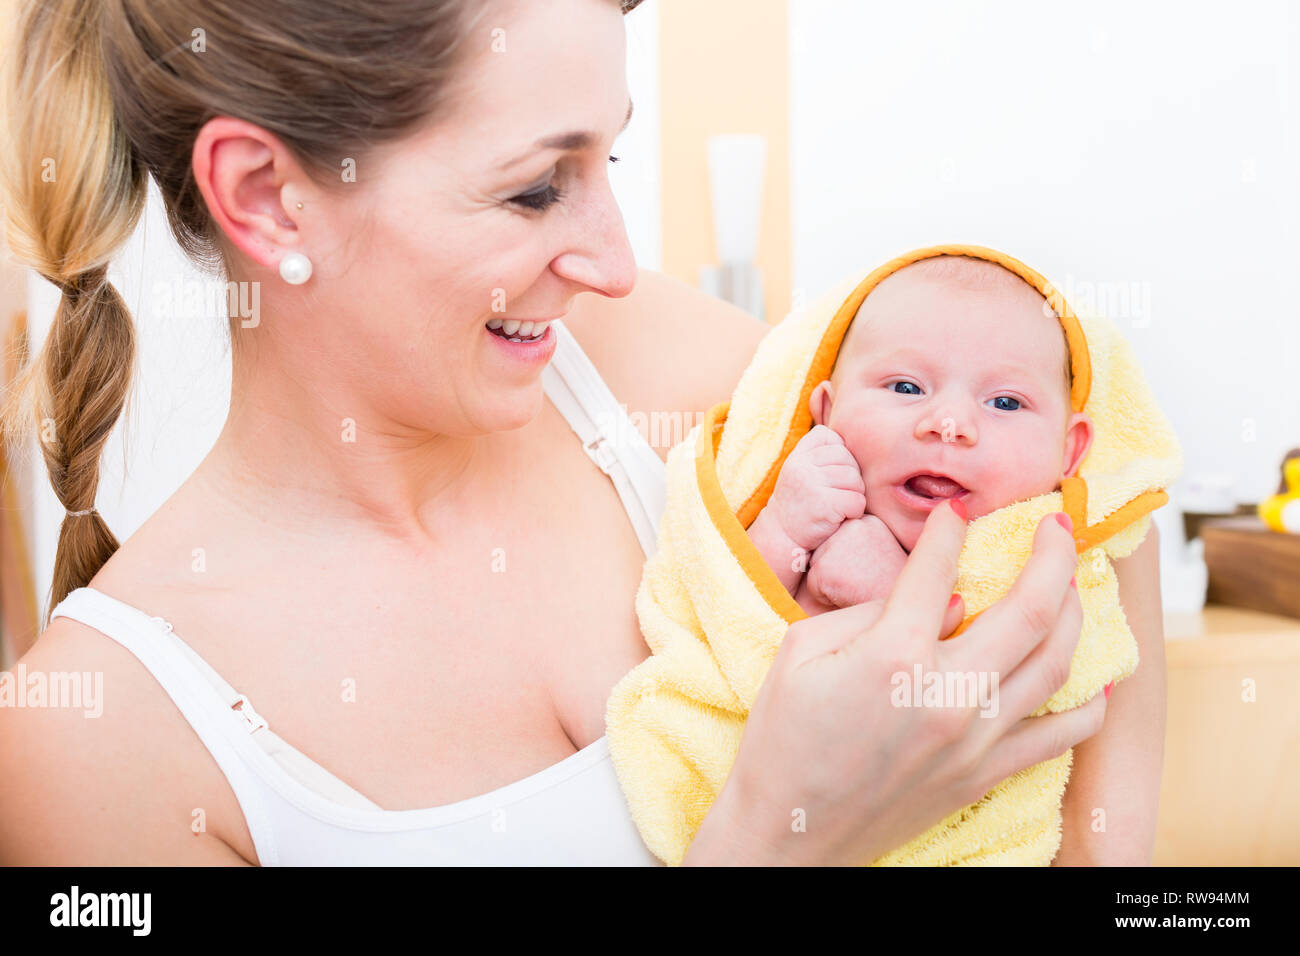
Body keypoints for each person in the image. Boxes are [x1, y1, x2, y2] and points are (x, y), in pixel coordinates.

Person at [0, 0, 1141, 866]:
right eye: (537, 188)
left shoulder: (642, 363)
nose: (611, 257)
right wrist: (786, 833)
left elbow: (1093, 497)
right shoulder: (104, 744)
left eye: (609, 159)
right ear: (266, 194)